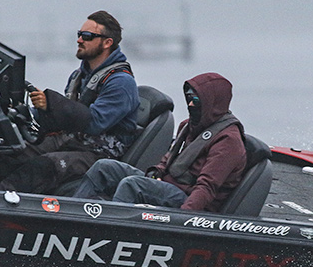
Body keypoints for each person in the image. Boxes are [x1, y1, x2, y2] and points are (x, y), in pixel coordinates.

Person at [0, 10, 140, 193]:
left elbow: (95, 122)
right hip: (72, 141)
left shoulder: (121, 82)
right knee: (13, 152)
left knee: (43, 167)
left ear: (107, 43)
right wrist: (28, 112)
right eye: (79, 34)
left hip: (100, 156)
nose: (79, 40)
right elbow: (68, 115)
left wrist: (51, 103)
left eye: (87, 36)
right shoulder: (79, 76)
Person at [73, 72, 247, 212]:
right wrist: (156, 173)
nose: (190, 105)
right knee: (103, 167)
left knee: (132, 185)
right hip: (168, 185)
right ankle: (75, 217)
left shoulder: (228, 140)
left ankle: (111, 230)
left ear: (212, 103)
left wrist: (183, 219)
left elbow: (207, 187)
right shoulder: (188, 126)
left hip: (190, 200)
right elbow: (168, 160)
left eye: (195, 101)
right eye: (188, 99)